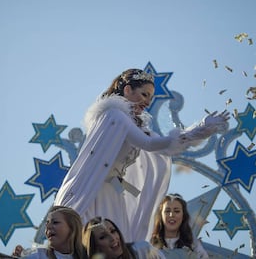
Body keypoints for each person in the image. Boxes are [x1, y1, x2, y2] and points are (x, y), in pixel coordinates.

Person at [53, 68, 229, 242]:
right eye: (144, 95)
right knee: (89, 240)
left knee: (118, 243)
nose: (147, 102)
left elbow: (164, 147)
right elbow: (150, 144)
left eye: (150, 98)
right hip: (92, 192)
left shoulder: (134, 126)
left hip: (114, 195)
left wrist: (200, 130)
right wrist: (196, 132)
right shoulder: (114, 115)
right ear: (127, 90)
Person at [13, 206, 87, 259]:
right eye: (47, 223)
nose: (48, 227)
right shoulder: (37, 255)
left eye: (55, 222)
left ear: (72, 228)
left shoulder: (90, 255)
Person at [150, 194, 209, 259]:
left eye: (177, 211)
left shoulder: (193, 244)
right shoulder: (149, 242)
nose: (171, 215)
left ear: (183, 216)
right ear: (161, 215)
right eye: (167, 211)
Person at [83, 216, 164, 259]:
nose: (113, 238)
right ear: (94, 246)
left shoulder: (143, 250)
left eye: (113, 231)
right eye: (103, 237)